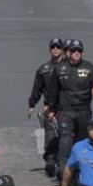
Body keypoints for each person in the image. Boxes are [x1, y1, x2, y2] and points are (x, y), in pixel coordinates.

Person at [46, 38, 93, 185]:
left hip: (84, 112)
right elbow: (53, 92)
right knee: (65, 144)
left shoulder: (89, 67)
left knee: (81, 145)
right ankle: (64, 175)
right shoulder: (60, 69)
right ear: (68, 53)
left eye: (79, 51)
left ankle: (79, 175)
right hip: (66, 112)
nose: (76, 53)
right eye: (74, 51)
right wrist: (51, 110)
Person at [27, 37, 66, 177]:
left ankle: (66, 162)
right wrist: (32, 104)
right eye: (53, 47)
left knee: (66, 136)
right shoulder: (44, 69)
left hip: (66, 108)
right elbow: (37, 88)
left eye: (58, 47)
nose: (55, 49)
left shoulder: (69, 68)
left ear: (62, 49)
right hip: (49, 108)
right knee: (50, 136)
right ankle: (50, 160)